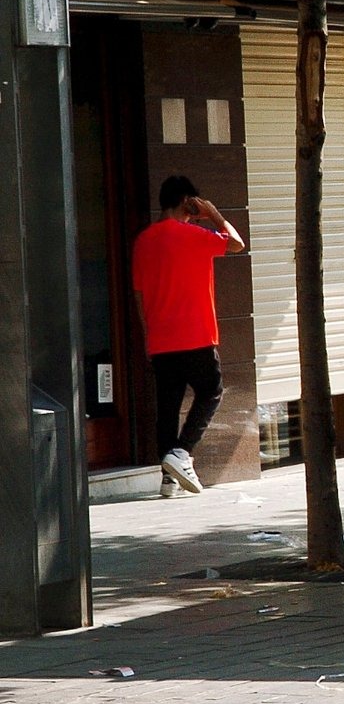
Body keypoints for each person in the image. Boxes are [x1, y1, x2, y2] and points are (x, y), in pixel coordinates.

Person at [132, 176, 245, 495]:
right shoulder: (196, 234)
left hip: (161, 339)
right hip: (195, 335)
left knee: (167, 407)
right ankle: (182, 453)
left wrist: (147, 337)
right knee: (211, 391)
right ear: (187, 202)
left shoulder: (144, 241)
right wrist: (213, 214)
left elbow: (139, 294)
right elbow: (236, 243)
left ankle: (169, 480)